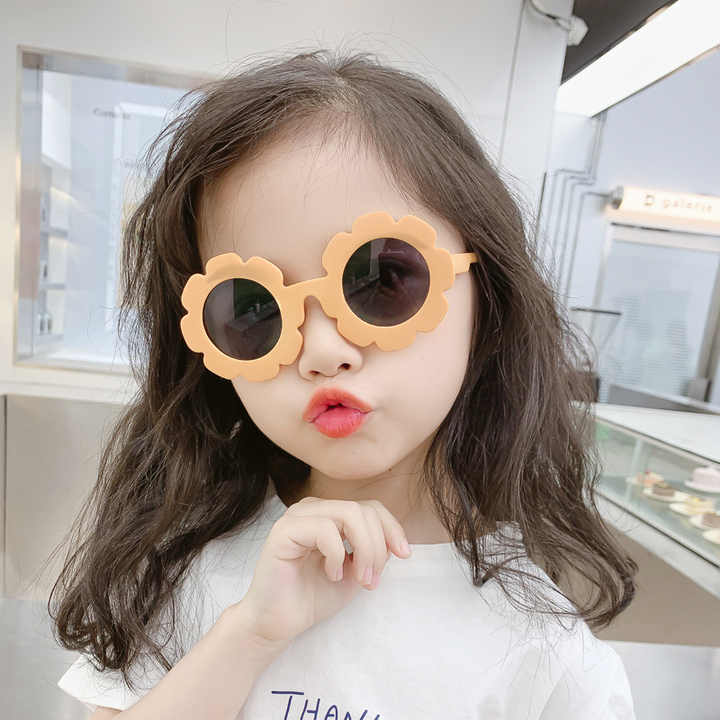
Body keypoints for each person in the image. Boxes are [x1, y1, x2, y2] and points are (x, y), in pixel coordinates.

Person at [50, 48, 638, 719]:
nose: (323, 351)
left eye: (383, 281)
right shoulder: (178, 560)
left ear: (488, 295)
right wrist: (250, 635)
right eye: (253, 309)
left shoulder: (547, 654)